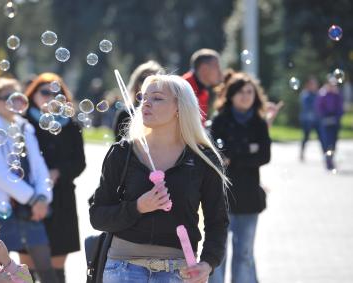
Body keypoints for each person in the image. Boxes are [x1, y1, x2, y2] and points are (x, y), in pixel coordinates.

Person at [90, 74, 229, 283]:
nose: (146, 103)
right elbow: (98, 215)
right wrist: (138, 206)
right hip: (122, 267)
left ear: (179, 107)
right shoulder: (122, 153)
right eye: (143, 97)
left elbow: (217, 222)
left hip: (178, 271)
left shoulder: (204, 160)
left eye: (157, 98)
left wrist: (208, 263)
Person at [0, 77, 58, 282]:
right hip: (0, 209)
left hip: (32, 209)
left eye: (15, 97)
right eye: (6, 97)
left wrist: (42, 198)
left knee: (45, 267)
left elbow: (39, 168)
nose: (12, 102)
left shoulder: (26, 128)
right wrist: (33, 199)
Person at [209, 72, 271, 283]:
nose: (246, 96)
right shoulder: (220, 121)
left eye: (250, 92)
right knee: (218, 253)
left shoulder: (259, 123)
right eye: (241, 92)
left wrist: (235, 157)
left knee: (244, 254)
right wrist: (247, 150)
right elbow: (217, 154)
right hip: (222, 197)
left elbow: (264, 156)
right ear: (231, 95)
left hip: (249, 197)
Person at [24, 72, 86, 283]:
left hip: (61, 199)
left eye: (55, 93)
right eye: (44, 92)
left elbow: (80, 163)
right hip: (29, 198)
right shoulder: (23, 123)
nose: (50, 97)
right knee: (26, 268)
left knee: (56, 268)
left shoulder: (71, 126)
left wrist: (58, 172)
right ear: (33, 95)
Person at [113, 60, 163, 141]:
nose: (148, 84)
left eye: (155, 80)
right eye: (143, 79)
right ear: (136, 83)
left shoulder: (169, 116)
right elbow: (119, 147)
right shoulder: (125, 115)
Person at [182, 49, 223, 121]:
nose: (220, 72)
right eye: (217, 67)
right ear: (204, 69)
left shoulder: (203, 92)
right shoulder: (181, 88)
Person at [316, 77, 344, 170]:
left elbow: (340, 108)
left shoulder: (337, 95)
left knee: (334, 142)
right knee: (326, 142)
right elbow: (319, 108)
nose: (332, 86)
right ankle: (328, 161)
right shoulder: (322, 94)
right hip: (325, 122)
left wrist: (337, 116)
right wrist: (325, 115)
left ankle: (331, 158)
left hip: (335, 122)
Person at [299, 76, 321, 161]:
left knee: (321, 137)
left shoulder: (318, 94)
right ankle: (302, 153)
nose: (314, 85)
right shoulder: (305, 94)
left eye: (315, 84)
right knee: (305, 137)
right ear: (308, 85)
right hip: (307, 120)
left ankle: (325, 154)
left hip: (316, 120)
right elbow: (307, 106)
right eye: (312, 84)